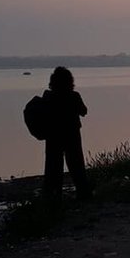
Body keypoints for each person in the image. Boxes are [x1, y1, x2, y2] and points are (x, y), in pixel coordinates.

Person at [41, 66, 93, 200]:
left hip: (53, 135)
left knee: (53, 166)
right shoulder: (74, 96)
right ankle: (83, 194)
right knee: (77, 165)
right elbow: (84, 111)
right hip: (72, 134)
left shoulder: (48, 97)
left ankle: (52, 196)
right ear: (70, 82)